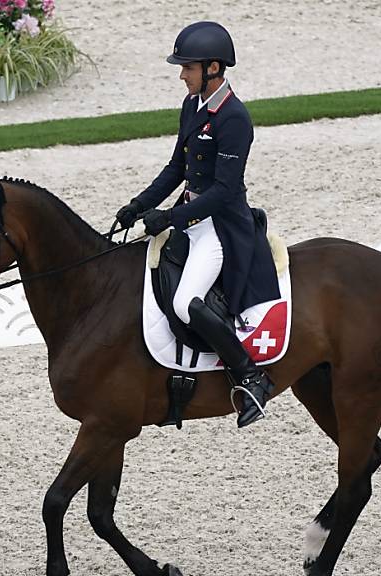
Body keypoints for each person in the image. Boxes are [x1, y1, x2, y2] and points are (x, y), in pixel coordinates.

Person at [116, 21, 280, 428]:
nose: (181, 74)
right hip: (190, 218)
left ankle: (251, 376)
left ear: (212, 67)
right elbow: (177, 168)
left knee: (184, 302)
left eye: (187, 67)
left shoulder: (234, 118)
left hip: (220, 227)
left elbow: (224, 191)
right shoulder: (192, 107)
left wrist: (169, 217)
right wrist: (138, 205)